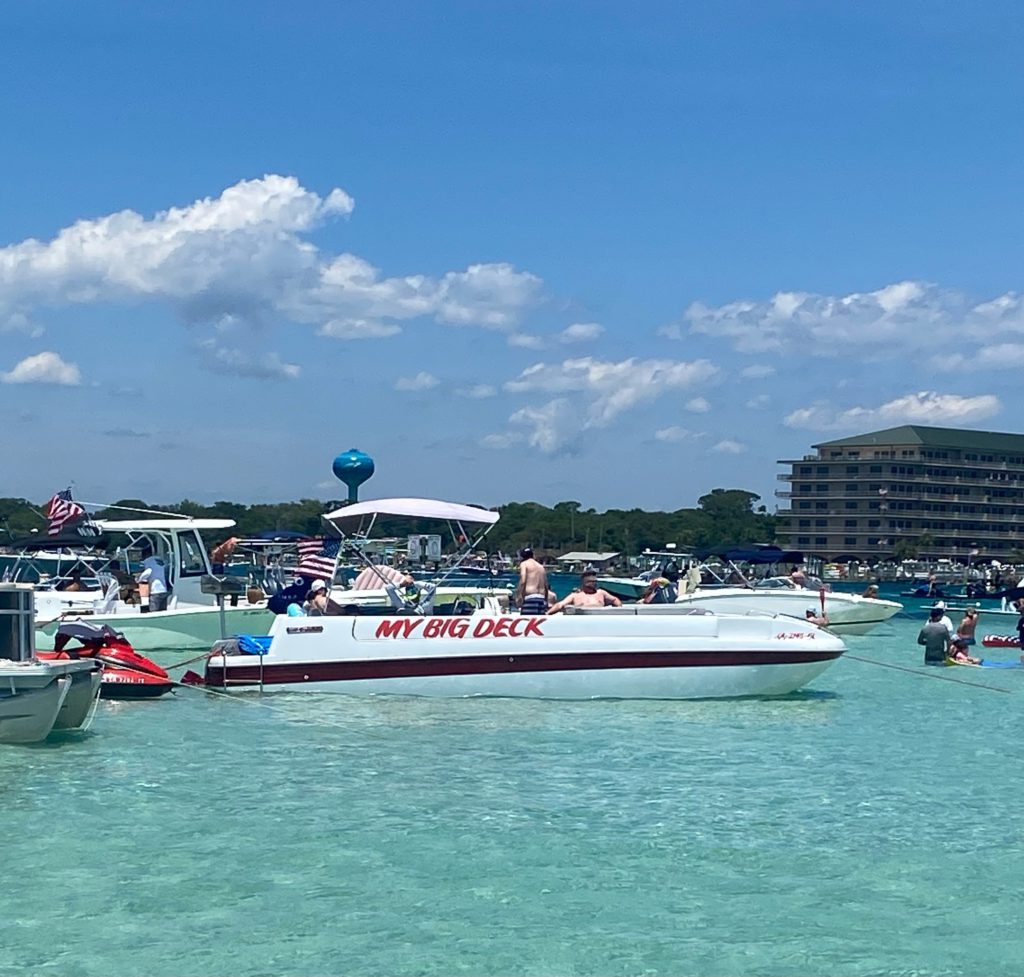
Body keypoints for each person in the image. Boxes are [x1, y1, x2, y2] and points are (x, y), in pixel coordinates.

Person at [548, 571, 622, 613]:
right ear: (584, 582)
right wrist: (547, 614)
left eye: (595, 581)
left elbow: (615, 600)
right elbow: (560, 605)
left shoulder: (601, 593)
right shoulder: (575, 595)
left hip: (600, 620)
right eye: (591, 582)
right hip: (582, 621)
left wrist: (619, 611)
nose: (594, 583)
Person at [515, 547, 550, 615]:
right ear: (532, 555)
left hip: (530, 598)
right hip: (541, 599)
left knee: (527, 623)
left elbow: (523, 580)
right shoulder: (541, 567)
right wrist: (545, 600)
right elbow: (546, 585)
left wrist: (518, 596)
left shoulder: (524, 564)